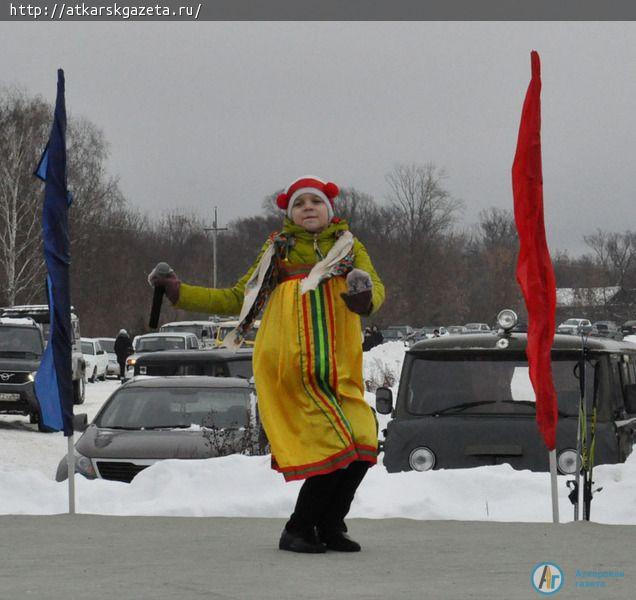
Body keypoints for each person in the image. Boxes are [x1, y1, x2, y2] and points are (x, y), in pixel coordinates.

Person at [148, 176, 385, 553]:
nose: (309, 207)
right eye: (300, 203)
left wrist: (364, 297)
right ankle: (298, 529)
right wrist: (181, 292)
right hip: (292, 365)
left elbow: (374, 287)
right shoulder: (278, 250)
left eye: (316, 201)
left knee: (362, 440)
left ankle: (329, 525)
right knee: (333, 445)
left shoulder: (350, 248)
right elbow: (238, 297)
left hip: (339, 368)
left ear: (330, 210)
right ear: (290, 213)